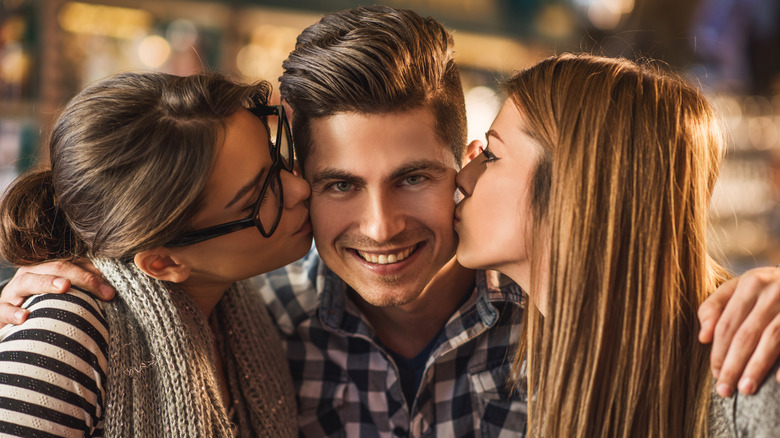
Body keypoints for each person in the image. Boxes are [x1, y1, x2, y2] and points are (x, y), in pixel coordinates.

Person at [3, 6, 780, 437]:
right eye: (339, 183)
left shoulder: (571, 319)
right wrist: (40, 301)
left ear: (465, 160)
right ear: (302, 177)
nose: (379, 227)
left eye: (413, 177)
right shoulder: (254, 328)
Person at [454, 53, 780, 436]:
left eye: (491, 155)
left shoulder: (748, 372)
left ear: (573, 189)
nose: (462, 178)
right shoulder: (552, 367)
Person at [0, 71, 310, 436]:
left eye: (275, 153)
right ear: (164, 262)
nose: (300, 188)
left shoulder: (243, 309)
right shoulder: (65, 338)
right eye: (259, 197)